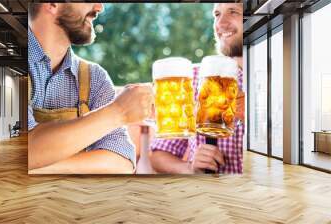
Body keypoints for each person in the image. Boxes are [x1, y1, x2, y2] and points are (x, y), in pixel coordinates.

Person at [27, 3, 154, 174]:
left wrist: (36, 169)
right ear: (52, 4)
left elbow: (122, 161)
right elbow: (23, 150)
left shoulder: (94, 77)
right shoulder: (5, 63)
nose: (99, 7)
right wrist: (118, 112)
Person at [149, 3, 245, 174]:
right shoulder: (190, 79)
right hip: (208, 194)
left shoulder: (287, 79)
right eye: (217, 14)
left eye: (233, 12)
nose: (221, 24)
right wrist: (190, 168)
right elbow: (159, 156)